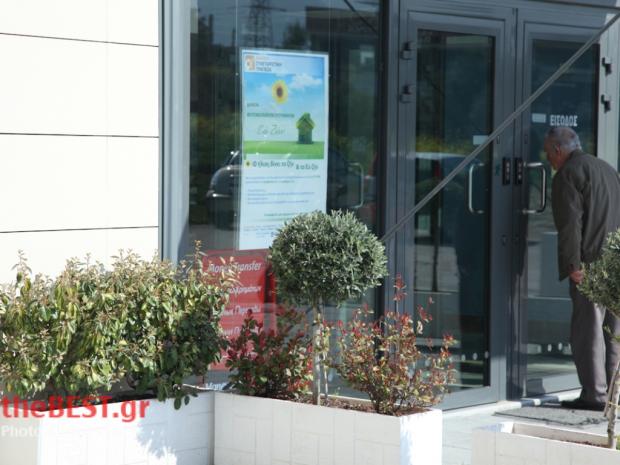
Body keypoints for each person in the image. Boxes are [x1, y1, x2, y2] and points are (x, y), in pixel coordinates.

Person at [544, 126, 620, 411]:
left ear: (558, 150)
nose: (548, 159)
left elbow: (570, 225)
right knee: (613, 333)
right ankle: (613, 394)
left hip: (590, 264)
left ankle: (594, 396)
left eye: (548, 152)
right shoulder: (607, 169)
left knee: (588, 332)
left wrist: (573, 265)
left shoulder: (568, 174)